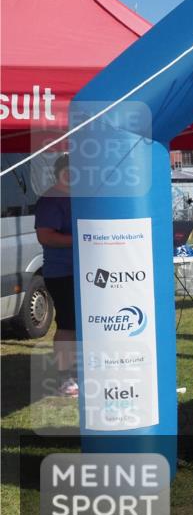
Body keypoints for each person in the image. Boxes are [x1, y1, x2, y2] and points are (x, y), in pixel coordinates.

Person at [34, 154, 77, 397]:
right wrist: (82, 239)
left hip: (85, 272)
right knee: (68, 325)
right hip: (62, 273)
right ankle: (65, 378)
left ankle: (79, 372)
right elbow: (46, 236)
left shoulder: (78, 197)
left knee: (81, 325)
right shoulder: (51, 200)